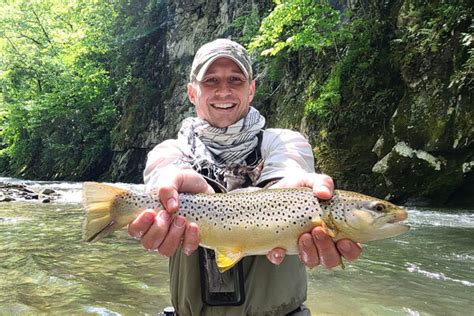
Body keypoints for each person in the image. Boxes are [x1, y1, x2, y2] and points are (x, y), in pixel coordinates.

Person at [128, 38, 361, 315]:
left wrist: (287, 194)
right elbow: (164, 172)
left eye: (235, 80)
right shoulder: (171, 150)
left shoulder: (284, 142)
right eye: (211, 80)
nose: (223, 91)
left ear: (251, 90)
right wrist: (167, 190)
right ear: (192, 93)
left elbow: (289, 170)